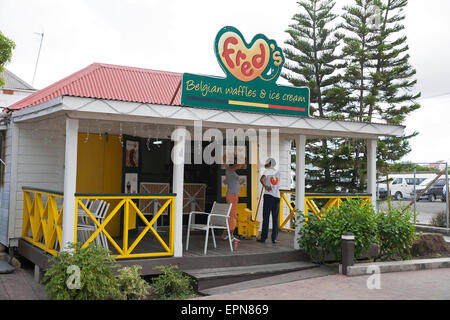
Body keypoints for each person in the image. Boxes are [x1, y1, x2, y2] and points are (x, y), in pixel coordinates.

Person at [257, 157, 281, 244]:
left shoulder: (267, 171)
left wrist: (265, 186)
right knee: (275, 218)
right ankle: (274, 238)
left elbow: (261, 179)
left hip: (268, 196)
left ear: (270, 164)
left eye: (267, 163)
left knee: (266, 217)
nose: (265, 164)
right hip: (277, 196)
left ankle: (264, 237)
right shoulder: (278, 172)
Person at [221, 156, 241, 241]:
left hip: (234, 195)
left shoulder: (232, 171)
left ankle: (225, 235)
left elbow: (238, 166)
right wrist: (239, 157)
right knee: (232, 216)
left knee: (232, 215)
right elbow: (238, 165)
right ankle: (230, 235)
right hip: (231, 195)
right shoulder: (229, 170)